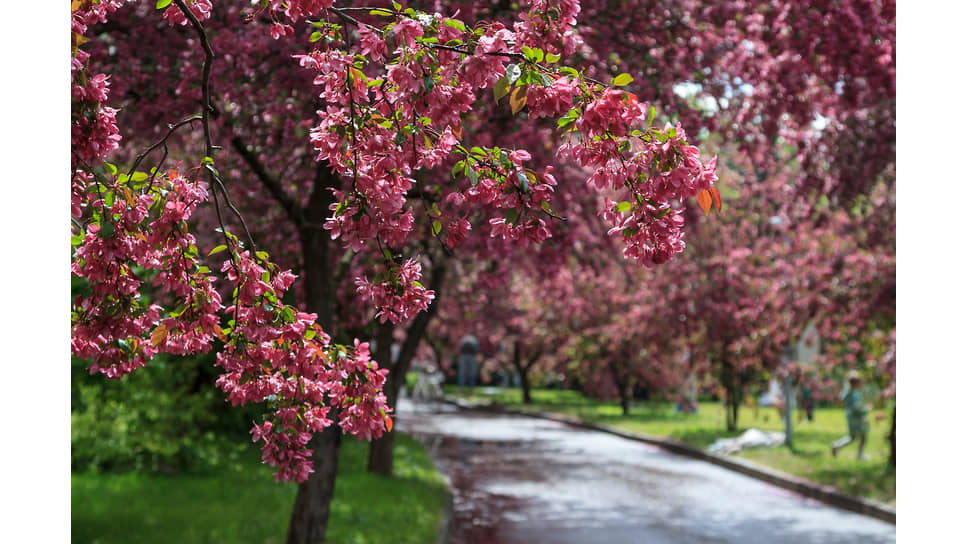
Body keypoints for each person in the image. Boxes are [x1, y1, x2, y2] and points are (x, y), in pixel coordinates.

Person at [831, 370, 870, 459]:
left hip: (850, 417)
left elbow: (841, 401)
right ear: (857, 384)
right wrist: (866, 409)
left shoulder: (847, 392)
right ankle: (860, 455)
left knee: (852, 437)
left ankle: (837, 445)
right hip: (859, 418)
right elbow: (857, 407)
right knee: (863, 436)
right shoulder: (855, 394)